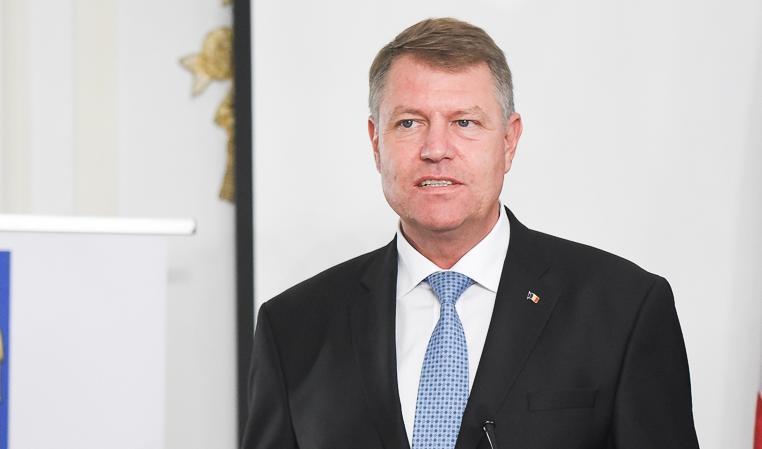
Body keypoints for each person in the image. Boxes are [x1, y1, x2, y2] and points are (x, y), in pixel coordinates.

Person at [240, 17, 699, 449]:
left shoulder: (623, 309)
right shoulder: (293, 329)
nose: (436, 149)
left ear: (509, 141)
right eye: (409, 122)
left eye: (465, 122)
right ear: (376, 142)